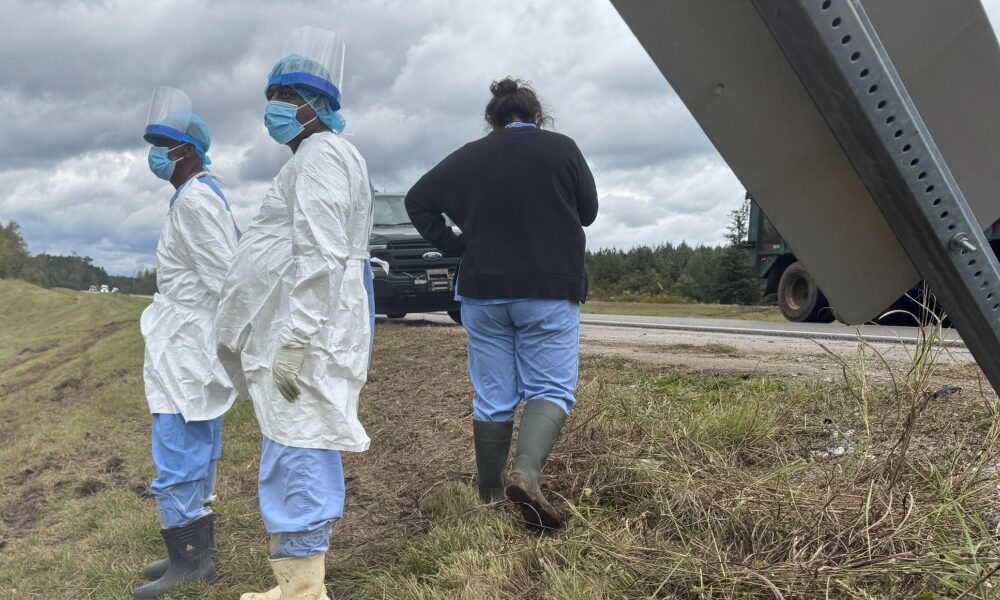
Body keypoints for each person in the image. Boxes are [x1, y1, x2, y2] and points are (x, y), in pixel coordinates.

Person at [213, 26, 374, 600]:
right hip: (305, 325)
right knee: (294, 443)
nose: (275, 111)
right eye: (273, 99)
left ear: (316, 107)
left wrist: (298, 337)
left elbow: (323, 252)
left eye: (287, 99)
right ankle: (297, 584)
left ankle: (305, 591)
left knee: (299, 446)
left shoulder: (322, 155)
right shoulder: (315, 156)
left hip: (311, 330)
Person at [405, 77, 598, 529]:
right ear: (536, 116)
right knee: (550, 388)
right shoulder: (562, 148)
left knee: (493, 397)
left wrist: (454, 243)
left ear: (492, 120)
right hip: (548, 287)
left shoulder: (467, 157)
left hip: (482, 290)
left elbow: (418, 200)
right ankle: (526, 475)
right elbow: (587, 212)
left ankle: (490, 496)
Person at [134, 86, 240, 599]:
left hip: (187, 343)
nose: (156, 154)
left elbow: (225, 277)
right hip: (186, 339)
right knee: (191, 441)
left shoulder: (197, 202)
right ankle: (190, 547)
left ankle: (191, 560)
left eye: (165, 144)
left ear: (189, 151)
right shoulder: (194, 198)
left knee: (177, 444)